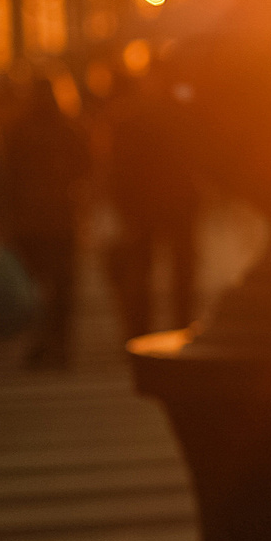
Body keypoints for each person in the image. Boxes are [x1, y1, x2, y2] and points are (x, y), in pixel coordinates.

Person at [103, 53, 201, 339]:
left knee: (142, 273)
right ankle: (182, 326)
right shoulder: (184, 115)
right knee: (181, 271)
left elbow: (119, 168)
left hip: (145, 205)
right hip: (178, 203)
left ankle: (140, 331)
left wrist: (123, 206)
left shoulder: (130, 117)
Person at [1, 69, 92, 368]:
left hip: (34, 221)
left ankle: (46, 343)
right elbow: (87, 167)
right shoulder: (68, 128)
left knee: (40, 287)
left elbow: (7, 177)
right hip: (59, 218)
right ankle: (58, 344)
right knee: (61, 286)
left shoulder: (20, 130)